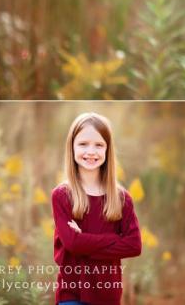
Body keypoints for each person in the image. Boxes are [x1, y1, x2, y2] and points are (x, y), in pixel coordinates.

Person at [51, 112, 142, 304]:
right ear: (72, 147)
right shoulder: (62, 195)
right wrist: (114, 240)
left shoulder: (121, 198)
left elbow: (134, 245)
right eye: (83, 144)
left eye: (99, 145)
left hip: (107, 294)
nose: (91, 152)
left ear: (108, 150)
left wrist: (84, 240)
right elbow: (72, 244)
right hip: (72, 293)